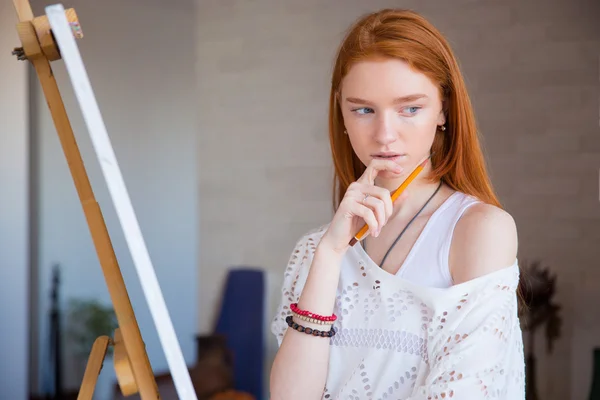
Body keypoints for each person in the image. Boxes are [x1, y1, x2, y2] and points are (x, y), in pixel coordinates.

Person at [269, 8, 525, 400]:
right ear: (341, 113)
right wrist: (329, 254)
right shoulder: (315, 251)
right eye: (364, 110)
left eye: (410, 108)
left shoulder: (478, 231)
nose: (385, 135)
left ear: (443, 110)